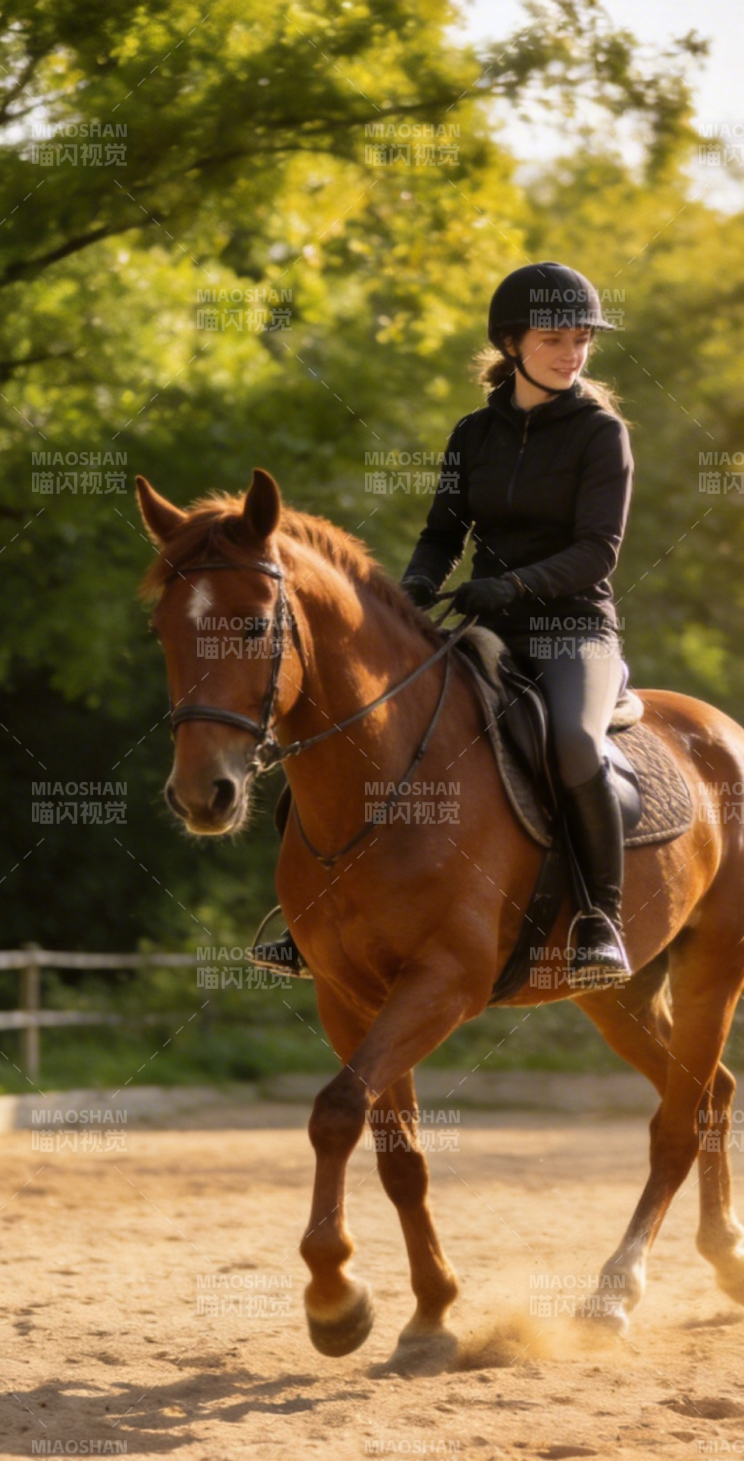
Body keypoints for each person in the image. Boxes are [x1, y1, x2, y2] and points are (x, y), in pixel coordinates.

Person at [258, 262, 636, 989]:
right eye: (555, 338)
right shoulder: (473, 433)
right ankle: (310, 916)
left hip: (571, 629)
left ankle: (601, 919)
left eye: (582, 339)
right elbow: (442, 532)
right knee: (349, 729)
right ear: (512, 343)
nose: (572, 353)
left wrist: (512, 584)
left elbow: (598, 551)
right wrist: (414, 591)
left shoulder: (601, 434)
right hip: (482, 626)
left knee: (574, 744)